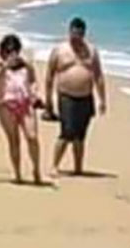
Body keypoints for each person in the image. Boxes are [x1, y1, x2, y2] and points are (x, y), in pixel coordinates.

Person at [44, 17, 106, 177]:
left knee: (80, 134)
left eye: (79, 34)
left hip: (86, 97)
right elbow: (49, 76)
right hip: (66, 96)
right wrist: (48, 100)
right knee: (67, 132)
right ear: (69, 31)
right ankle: (54, 166)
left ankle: (78, 167)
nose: (76, 37)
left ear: (84, 33)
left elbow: (98, 75)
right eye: (74, 33)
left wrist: (102, 99)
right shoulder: (59, 50)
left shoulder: (91, 51)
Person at [0, 34, 44, 184]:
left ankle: (36, 170)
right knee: (14, 140)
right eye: (8, 50)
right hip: (5, 104)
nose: (11, 53)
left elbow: (33, 80)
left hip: (25, 103)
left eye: (14, 50)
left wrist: (35, 95)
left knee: (32, 136)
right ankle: (17, 174)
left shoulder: (24, 63)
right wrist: (6, 66)